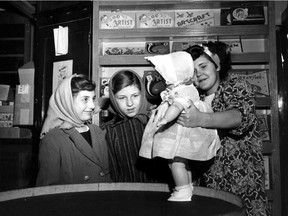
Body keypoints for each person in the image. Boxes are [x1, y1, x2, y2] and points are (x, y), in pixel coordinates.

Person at [178, 41, 270, 215]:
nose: (199, 74)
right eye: (193, 71)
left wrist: (200, 119)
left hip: (242, 188)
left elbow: (238, 117)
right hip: (208, 189)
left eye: (203, 66)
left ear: (217, 65)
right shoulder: (193, 100)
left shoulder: (235, 87)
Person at [139, 51, 220, 202]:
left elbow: (177, 106)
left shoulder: (181, 90)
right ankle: (187, 186)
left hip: (180, 134)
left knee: (175, 162)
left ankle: (182, 189)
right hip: (182, 132)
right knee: (182, 162)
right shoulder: (187, 88)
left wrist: (164, 119)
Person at [36, 74, 111, 186]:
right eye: (85, 99)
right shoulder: (52, 140)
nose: (91, 105)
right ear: (68, 102)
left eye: (93, 98)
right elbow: (47, 191)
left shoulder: (97, 131)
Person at [102, 69, 171, 183]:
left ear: (142, 93)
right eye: (122, 98)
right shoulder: (108, 130)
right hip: (127, 194)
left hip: (161, 192)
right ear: (113, 98)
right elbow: (112, 174)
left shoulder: (159, 121)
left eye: (135, 95)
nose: (130, 103)